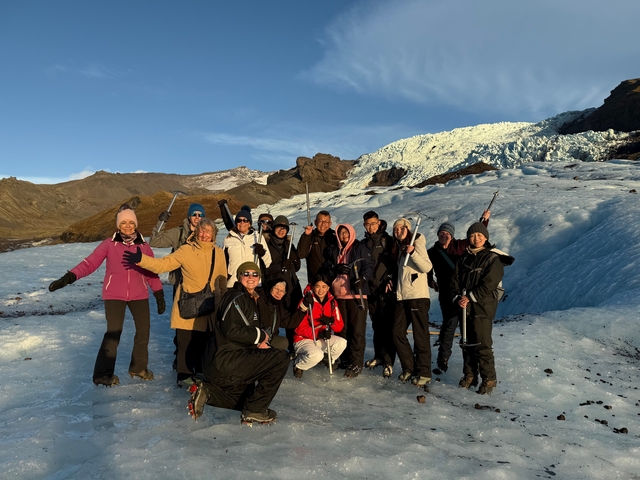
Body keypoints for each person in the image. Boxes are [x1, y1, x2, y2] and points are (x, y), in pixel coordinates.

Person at [48, 204, 165, 387]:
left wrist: (158, 293)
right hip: (114, 295)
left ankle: (138, 368)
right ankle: (103, 375)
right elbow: (89, 264)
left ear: (135, 224)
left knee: (143, 332)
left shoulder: (144, 246)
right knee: (113, 334)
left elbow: (151, 271)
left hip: (139, 294)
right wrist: (69, 277)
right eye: (123, 222)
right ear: (118, 225)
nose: (127, 226)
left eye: (131, 222)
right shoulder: (109, 244)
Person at [125, 218, 228, 387]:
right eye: (201, 231)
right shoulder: (186, 250)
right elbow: (163, 264)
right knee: (185, 342)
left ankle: (201, 371)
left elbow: (222, 280)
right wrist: (141, 259)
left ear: (213, 235)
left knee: (204, 342)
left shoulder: (219, 253)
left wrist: (224, 302)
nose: (204, 235)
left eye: (208, 232)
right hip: (188, 304)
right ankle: (184, 375)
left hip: (209, 306)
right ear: (196, 232)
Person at [187, 262, 290, 425]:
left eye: (254, 274)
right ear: (239, 276)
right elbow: (232, 330)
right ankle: (255, 411)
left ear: (259, 278)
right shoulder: (237, 297)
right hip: (226, 360)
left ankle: (209, 393)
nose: (251, 277)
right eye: (246, 274)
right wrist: (260, 336)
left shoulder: (248, 299)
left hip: (227, 362)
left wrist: (257, 343)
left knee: (245, 400)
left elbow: (242, 330)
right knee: (281, 358)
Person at [451, 222, 513, 395]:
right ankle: (470, 375)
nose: (476, 238)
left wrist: (469, 298)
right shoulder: (463, 258)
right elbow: (454, 282)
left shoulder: (492, 259)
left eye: (479, 235)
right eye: (472, 235)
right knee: (467, 343)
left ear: (486, 238)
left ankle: (489, 379)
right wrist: (458, 298)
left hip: (482, 307)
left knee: (482, 344)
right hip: (465, 308)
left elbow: (489, 284)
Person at [427, 211, 490, 374]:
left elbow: (477, 238)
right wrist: (430, 280)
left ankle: (469, 366)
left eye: (447, 233)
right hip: (445, 294)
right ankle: (443, 358)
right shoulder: (432, 252)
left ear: (452, 236)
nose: (444, 235)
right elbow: (427, 267)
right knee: (449, 324)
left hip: (462, 292)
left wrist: (484, 221)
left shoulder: (461, 246)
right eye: (441, 232)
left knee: (464, 327)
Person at [150, 202, 207, 371]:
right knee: (182, 324)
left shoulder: (205, 234)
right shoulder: (179, 232)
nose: (197, 217)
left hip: (199, 285)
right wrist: (161, 222)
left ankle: (196, 357)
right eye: (194, 214)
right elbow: (155, 240)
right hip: (182, 286)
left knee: (198, 323)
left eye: (200, 215)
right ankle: (180, 358)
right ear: (189, 216)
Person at [323, 223, 374, 378]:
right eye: (341, 233)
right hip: (339, 296)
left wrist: (363, 279)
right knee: (341, 330)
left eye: (346, 233)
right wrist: (336, 269)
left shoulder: (360, 247)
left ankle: (356, 363)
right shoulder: (333, 250)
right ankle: (344, 359)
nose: (343, 236)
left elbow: (369, 266)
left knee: (357, 330)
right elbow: (326, 268)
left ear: (351, 233)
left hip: (356, 294)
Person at [391, 217, 433, 388]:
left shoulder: (417, 243)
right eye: (396, 229)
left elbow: (427, 267)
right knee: (397, 332)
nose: (398, 231)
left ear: (408, 229)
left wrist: (413, 252)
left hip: (417, 297)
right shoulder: (400, 249)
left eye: (402, 228)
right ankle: (409, 367)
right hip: (403, 297)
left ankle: (424, 372)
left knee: (420, 335)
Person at [361, 211, 397, 378]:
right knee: (376, 325)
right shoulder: (363, 244)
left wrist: (391, 278)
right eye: (368, 224)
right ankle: (378, 356)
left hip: (385, 289)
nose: (371, 227)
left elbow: (396, 263)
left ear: (379, 222)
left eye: (373, 223)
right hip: (370, 290)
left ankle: (389, 361)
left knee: (387, 326)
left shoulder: (388, 241)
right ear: (364, 225)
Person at [291, 274, 346, 378]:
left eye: (324, 286)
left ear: (328, 287)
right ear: (312, 287)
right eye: (317, 286)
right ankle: (299, 364)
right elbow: (299, 328)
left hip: (321, 338)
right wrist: (317, 332)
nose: (321, 290)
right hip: (303, 339)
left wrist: (331, 321)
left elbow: (339, 327)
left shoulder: (332, 302)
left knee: (342, 343)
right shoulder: (306, 302)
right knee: (316, 355)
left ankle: (327, 359)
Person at [264, 215, 303, 352]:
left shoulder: (289, 244)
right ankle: (273, 346)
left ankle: (292, 348)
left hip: (291, 288)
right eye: (279, 227)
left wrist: (295, 260)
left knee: (291, 318)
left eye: (285, 228)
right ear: (273, 228)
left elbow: (296, 267)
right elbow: (265, 269)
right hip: (275, 289)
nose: (282, 230)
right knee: (274, 318)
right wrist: (280, 266)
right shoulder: (267, 245)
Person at [224, 207, 272, 287]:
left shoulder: (257, 237)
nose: (242, 223)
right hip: (233, 283)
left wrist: (262, 253)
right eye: (239, 220)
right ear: (236, 223)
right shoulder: (228, 239)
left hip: (252, 282)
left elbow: (268, 262)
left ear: (249, 223)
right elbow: (223, 261)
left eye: (245, 220)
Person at [256, 278, 302, 352]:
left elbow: (289, 321)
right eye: (276, 289)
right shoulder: (259, 299)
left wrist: (302, 309)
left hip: (269, 339)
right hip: (256, 337)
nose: (278, 293)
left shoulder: (279, 307)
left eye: (282, 291)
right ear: (270, 288)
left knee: (283, 343)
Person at [297, 210, 337, 284]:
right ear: (315, 222)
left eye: (326, 221)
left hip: (333, 281)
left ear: (330, 224)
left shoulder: (335, 238)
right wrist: (306, 235)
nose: (323, 224)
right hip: (315, 281)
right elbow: (301, 254)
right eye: (320, 221)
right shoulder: (309, 237)